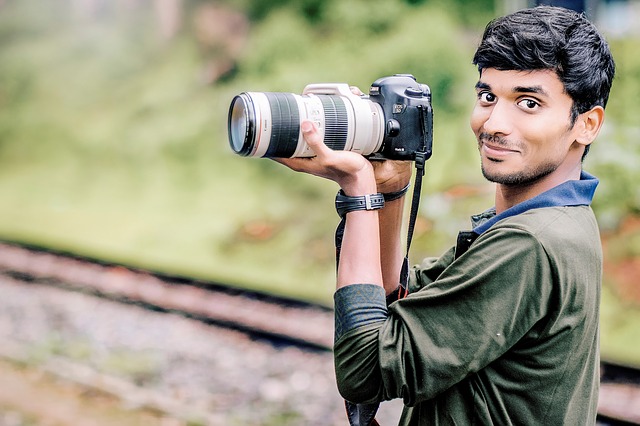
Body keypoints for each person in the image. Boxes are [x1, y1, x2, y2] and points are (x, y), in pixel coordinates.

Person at [276, 5, 615, 425]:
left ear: (586, 124)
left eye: (528, 103)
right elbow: (395, 306)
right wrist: (390, 187)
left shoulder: (529, 244)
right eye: (487, 96)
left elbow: (365, 370)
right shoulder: (553, 222)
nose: (494, 123)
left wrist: (359, 192)